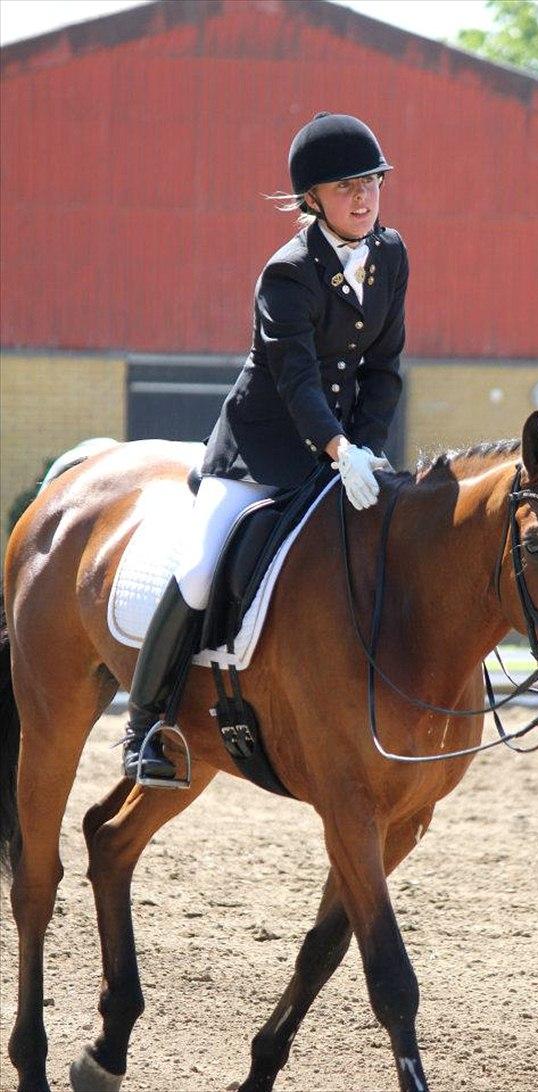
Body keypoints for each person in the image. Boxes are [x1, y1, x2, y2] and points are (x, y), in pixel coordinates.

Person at [122, 111, 409, 782]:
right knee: (198, 567)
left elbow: (385, 368)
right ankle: (145, 727)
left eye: (372, 182)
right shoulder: (287, 273)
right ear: (312, 200)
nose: (364, 197)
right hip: (262, 452)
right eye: (345, 187)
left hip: (346, 449)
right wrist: (340, 449)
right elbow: (298, 381)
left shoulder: (391, 254)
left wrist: (366, 448)